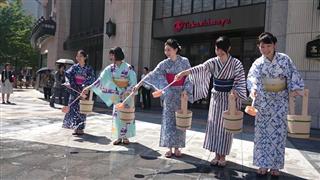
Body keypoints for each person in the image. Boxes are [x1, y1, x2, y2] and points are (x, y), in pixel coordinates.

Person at [175, 36, 247, 166]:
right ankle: (216, 154)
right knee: (214, 126)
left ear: (229, 49)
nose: (219, 52)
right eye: (217, 49)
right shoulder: (213, 61)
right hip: (216, 97)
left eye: (221, 50)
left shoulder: (236, 63)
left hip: (229, 98)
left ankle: (223, 156)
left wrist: (235, 91)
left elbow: (240, 79)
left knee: (225, 127)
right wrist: (184, 73)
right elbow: (200, 68)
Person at [247, 32, 304, 176]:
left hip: (280, 103)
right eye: (262, 46)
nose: (265, 49)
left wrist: (295, 88)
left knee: (278, 136)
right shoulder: (258, 63)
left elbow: (293, 75)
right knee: (262, 136)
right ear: (258, 47)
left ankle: (275, 166)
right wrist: (253, 89)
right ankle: (262, 164)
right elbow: (252, 78)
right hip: (263, 103)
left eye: (268, 46)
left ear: (274, 45)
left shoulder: (284, 60)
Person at [134, 39, 193, 158]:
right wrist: (138, 84)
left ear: (176, 50)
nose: (166, 52)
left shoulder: (185, 61)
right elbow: (152, 74)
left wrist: (186, 90)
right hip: (169, 95)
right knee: (168, 122)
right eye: (165, 50)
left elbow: (189, 77)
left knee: (179, 121)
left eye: (169, 50)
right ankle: (169, 148)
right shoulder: (164, 64)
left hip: (181, 95)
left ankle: (177, 148)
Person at [82, 47, 137, 145]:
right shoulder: (110, 68)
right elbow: (100, 79)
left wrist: (127, 91)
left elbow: (133, 82)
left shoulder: (128, 67)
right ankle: (119, 137)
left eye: (112, 54)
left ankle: (126, 137)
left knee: (127, 115)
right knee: (117, 116)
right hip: (116, 95)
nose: (110, 57)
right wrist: (89, 87)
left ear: (117, 55)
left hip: (127, 95)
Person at [62, 50, 95, 135]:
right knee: (73, 109)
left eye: (80, 56)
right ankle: (75, 127)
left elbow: (91, 78)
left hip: (84, 90)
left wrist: (85, 87)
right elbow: (68, 75)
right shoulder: (74, 67)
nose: (78, 58)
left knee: (82, 110)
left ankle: (81, 128)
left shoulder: (89, 68)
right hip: (75, 89)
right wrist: (68, 83)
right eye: (77, 56)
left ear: (85, 57)